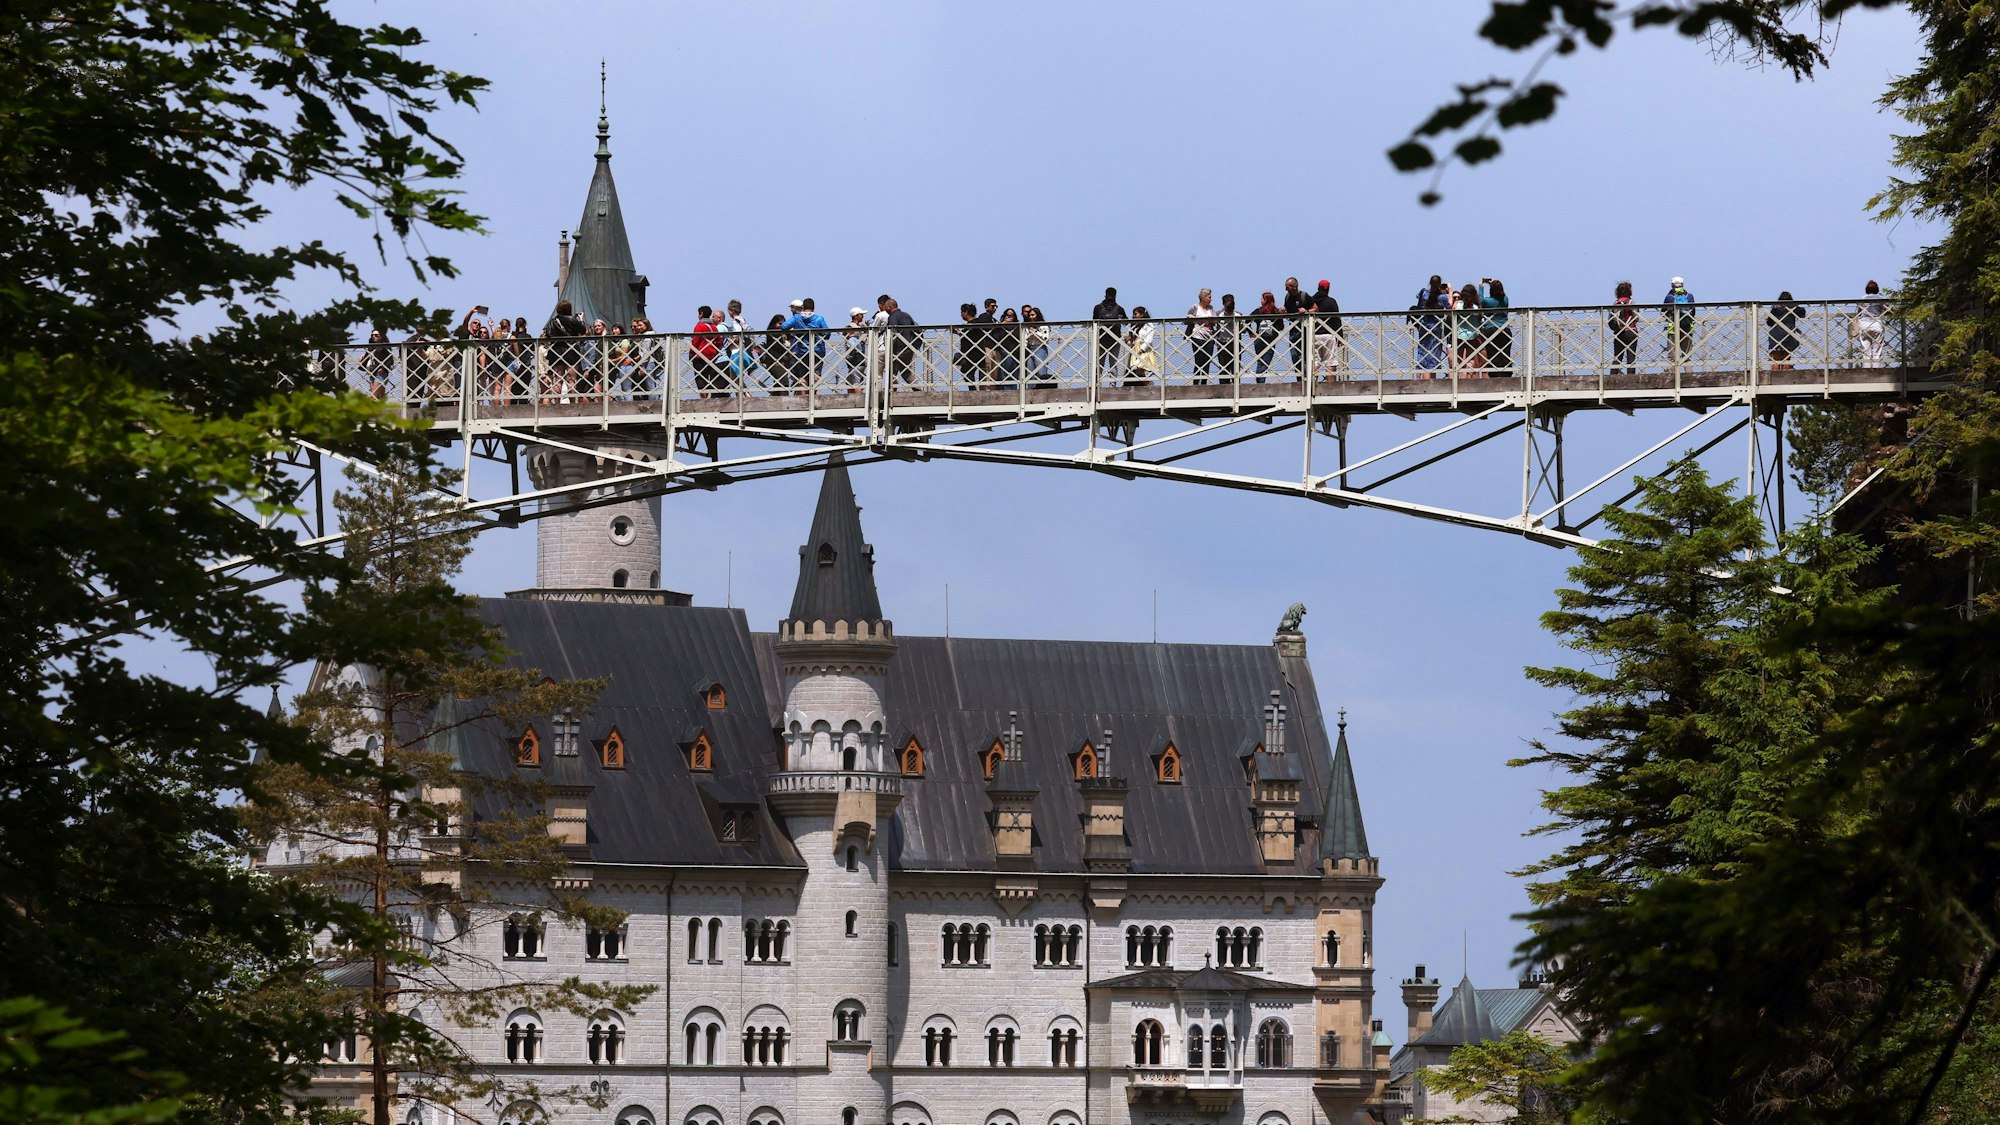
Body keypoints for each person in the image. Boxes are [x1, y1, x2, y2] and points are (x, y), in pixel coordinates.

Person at [542, 298, 588, 401]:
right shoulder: (572, 319)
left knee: (558, 380)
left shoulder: (553, 321)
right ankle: (572, 405)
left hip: (557, 351)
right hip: (571, 352)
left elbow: (548, 334)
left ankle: (557, 405)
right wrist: (581, 320)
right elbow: (583, 330)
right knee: (571, 380)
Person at [1410, 275, 1449, 377]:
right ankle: (1432, 379)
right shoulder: (1442, 297)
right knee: (1434, 353)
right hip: (1436, 325)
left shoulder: (1424, 293)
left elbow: (1418, 297)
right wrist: (1450, 291)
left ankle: (1424, 380)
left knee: (1423, 352)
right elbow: (1449, 307)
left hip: (1424, 324)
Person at [1092, 286, 1126, 383]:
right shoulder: (1119, 309)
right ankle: (1113, 383)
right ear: (1115, 296)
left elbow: (1094, 321)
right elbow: (1126, 322)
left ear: (1105, 295)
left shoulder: (1098, 308)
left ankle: (1097, 383)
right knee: (1114, 363)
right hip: (1115, 339)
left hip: (1100, 339)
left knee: (1099, 363)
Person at [1185, 288, 1220, 384]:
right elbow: (1186, 320)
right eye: (1209, 297)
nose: (1211, 299)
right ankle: (1196, 383)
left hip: (1209, 337)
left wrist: (1212, 319)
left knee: (1207, 361)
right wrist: (1193, 318)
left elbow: (1216, 321)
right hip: (1197, 336)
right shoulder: (1195, 307)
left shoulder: (1211, 308)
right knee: (1199, 360)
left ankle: (1204, 382)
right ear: (1203, 297)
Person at [1309, 279, 1342, 377]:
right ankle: (1331, 386)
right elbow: (1337, 320)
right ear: (1328, 289)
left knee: (1315, 362)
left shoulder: (1311, 301)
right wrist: (1340, 337)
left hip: (1314, 334)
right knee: (1330, 363)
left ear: (1318, 288)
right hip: (1328, 334)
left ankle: (1312, 386)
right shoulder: (1331, 302)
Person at [1663, 276, 1696, 370]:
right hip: (1687, 328)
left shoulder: (1669, 297)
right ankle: (1689, 375)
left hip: (1673, 328)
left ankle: (1672, 377)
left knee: (1672, 356)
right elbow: (1693, 312)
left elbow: (1663, 311)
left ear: (1672, 285)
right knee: (1687, 355)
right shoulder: (1689, 296)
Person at [1480, 278, 1512, 375]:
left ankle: (1494, 375)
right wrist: (1494, 284)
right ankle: (1507, 374)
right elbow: (1503, 295)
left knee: (1492, 354)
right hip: (1505, 329)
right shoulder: (1505, 299)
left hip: (1491, 329)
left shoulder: (1488, 301)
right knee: (1505, 354)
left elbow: (1480, 300)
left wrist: (1481, 287)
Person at [1767, 291, 1804, 372]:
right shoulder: (1793, 307)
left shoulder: (1774, 308)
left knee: (1776, 358)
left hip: (1775, 334)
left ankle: (1775, 375)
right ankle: (1785, 374)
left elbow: (1769, 322)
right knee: (1786, 357)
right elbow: (1802, 313)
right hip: (1788, 334)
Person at [884, 296, 918, 385]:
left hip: (898, 349)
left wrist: (889, 347)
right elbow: (917, 330)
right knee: (905, 370)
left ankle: (891, 390)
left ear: (890, 307)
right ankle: (917, 388)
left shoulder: (892, 317)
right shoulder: (906, 315)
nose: (885, 309)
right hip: (909, 347)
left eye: (886, 306)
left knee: (892, 370)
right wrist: (916, 345)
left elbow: (892, 333)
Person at [1250, 291, 1282, 381]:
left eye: (1262, 298)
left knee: (1260, 362)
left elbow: (1247, 321)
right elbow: (1281, 326)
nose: (1260, 300)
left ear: (1265, 300)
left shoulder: (1259, 311)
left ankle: (1259, 382)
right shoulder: (1276, 312)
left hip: (1259, 339)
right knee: (1265, 363)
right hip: (1270, 340)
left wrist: (1251, 332)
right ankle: (1261, 382)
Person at [1455, 283, 1486, 376]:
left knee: (1459, 360)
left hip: (1459, 335)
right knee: (1471, 360)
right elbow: (1481, 319)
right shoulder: (1476, 308)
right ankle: (1468, 378)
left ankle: (1460, 380)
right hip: (1473, 335)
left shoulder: (1458, 306)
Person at [1609, 281, 1639, 377]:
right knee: (1631, 356)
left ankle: (1613, 376)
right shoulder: (1631, 302)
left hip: (1618, 332)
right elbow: (1636, 317)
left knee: (1617, 356)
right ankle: (1631, 377)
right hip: (1631, 330)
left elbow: (1610, 318)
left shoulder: (1615, 303)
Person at [1854, 279, 1887, 367]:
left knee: (1865, 349)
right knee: (1877, 349)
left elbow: (1858, 312)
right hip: (1877, 323)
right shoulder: (1880, 298)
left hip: (1865, 323)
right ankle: (1876, 368)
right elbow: (1885, 309)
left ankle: (1866, 369)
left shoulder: (1863, 298)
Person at [689, 305, 720, 396]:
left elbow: (695, 341)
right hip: (711, 356)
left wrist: (691, 354)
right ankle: (708, 397)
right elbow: (719, 341)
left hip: (700, 355)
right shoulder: (714, 327)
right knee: (708, 378)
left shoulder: (700, 326)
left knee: (700, 378)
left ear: (701, 314)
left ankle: (703, 399)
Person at [1125, 307, 1159, 387]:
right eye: (1133, 314)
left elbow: (1149, 339)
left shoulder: (1149, 325)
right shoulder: (1135, 326)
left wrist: (1142, 349)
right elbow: (1132, 342)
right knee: (1136, 369)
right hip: (1135, 350)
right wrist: (1128, 341)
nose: (1134, 316)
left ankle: (1148, 384)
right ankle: (1144, 385)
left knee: (1141, 367)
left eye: (1136, 314)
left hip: (1145, 350)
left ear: (1142, 314)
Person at [1282, 277, 1308, 374]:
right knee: (1294, 355)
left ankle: (1306, 376)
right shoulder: (1287, 297)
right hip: (1292, 329)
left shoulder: (1304, 296)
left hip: (1304, 329)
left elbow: (1315, 308)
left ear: (1295, 287)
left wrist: (1307, 311)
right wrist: (1283, 310)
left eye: (1287, 287)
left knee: (1305, 354)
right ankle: (1299, 376)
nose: (1286, 290)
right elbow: (1287, 308)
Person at [1022, 304, 1052, 388]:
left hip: (1040, 348)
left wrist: (1035, 332)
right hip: (1030, 348)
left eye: (1033, 315)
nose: (1031, 317)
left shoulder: (1043, 325)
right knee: (1030, 371)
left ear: (1037, 315)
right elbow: (1025, 338)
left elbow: (1045, 338)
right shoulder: (1027, 326)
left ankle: (1043, 389)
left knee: (1041, 371)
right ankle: (1031, 391)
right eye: (1030, 315)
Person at [764, 314, 795, 392]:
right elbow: (778, 347)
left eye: (783, 324)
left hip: (781, 361)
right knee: (783, 381)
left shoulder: (785, 333)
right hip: (775, 361)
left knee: (778, 382)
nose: (782, 326)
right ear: (774, 324)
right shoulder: (773, 333)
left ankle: (775, 398)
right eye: (780, 323)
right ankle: (784, 400)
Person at [360, 328, 393, 399]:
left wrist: (383, 368)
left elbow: (390, 360)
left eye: (376, 335)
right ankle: (382, 409)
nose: (374, 336)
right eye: (372, 335)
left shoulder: (385, 346)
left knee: (373, 397)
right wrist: (362, 359)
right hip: (372, 373)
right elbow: (367, 358)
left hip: (380, 374)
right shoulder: (371, 347)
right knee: (378, 398)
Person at [843, 307, 868, 391]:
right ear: (856, 316)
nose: (863, 317)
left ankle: (857, 401)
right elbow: (846, 333)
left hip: (855, 359)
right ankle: (858, 400)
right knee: (853, 382)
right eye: (861, 315)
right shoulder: (851, 327)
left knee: (854, 382)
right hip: (858, 358)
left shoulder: (858, 327)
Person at [996, 307, 1022, 387]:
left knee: (1012, 374)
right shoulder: (1000, 326)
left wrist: (1011, 328)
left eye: (1011, 315)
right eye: (1007, 315)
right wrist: (1003, 324)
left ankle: (1012, 390)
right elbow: (997, 337)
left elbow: (1017, 336)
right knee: (1001, 374)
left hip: (1014, 352)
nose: (1009, 317)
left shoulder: (1018, 326)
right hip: (1002, 351)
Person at [1219, 293, 1241, 383]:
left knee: (1236, 367)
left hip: (1234, 343)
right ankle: (1224, 386)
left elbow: (1242, 328)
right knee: (1224, 367)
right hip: (1223, 343)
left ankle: (1236, 384)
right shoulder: (1219, 315)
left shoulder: (1238, 316)